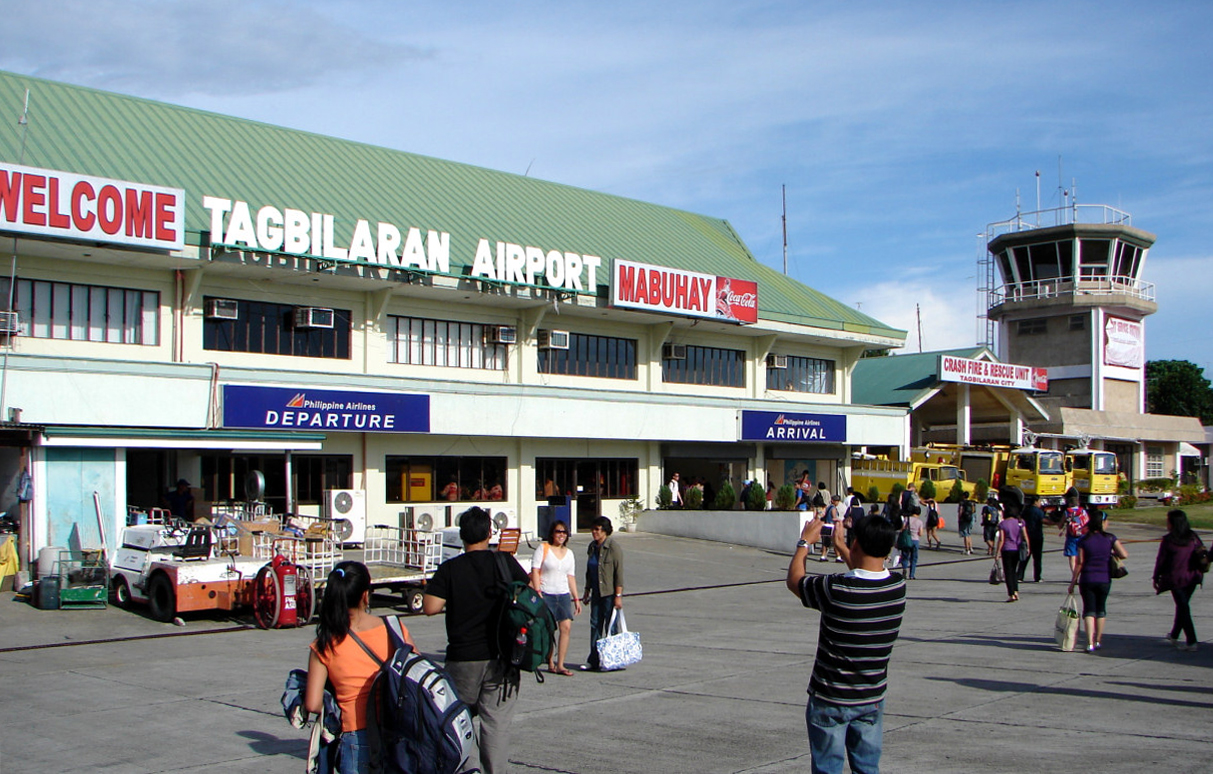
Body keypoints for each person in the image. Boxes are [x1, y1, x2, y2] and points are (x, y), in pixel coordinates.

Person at [787, 514, 906, 774]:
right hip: (871, 697)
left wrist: (804, 543)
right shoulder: (898, 586)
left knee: (827, 767)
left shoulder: (836, 588)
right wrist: (843, 547)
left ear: (856, 545)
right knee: (867, 767)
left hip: (831, 697)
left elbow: (795, 581)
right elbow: (867, 572)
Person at [423, 507, 529, 774]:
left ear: (461, 536)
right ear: (489, 533)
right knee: (496, 725)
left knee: (458, 720)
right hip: (502, 658)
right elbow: (528, 596)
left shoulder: (451, 568)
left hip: (463, 658)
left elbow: (430, 606)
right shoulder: (505, 562)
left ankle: (464, 770)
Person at [306, 561, 416, 773]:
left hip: (357, 735)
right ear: (366, 595)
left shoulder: (325, 643)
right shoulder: (393, 628)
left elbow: (312, 704)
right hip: (396, 731)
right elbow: (416, 673)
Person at [1067, 510, 1128, 653]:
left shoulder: (1084, 540)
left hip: (1087, 578)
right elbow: (1124, 554)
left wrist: (1073, 582)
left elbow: (1080, 562)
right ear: (1102, 523)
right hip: (1104, 578)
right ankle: (1098, 640)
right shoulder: (1110, 538)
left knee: (1088, 610)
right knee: (1101, 610)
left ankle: (1089, 643)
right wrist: (1111, 554)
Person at [530, 520, 581, 675]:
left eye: (564, 532)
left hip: (563, 594)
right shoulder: (543, 549)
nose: (561, 535)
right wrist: (538, 591)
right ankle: (550, 660)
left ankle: (561, 664)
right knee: (549, 629)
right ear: (552, 533)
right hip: (546, 593)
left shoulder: (569, 553)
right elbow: (535, 570)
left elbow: (570, 577)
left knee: (566, 627)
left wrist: (576, 598)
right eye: (558, 532)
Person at [1153, 508, 1205, 651]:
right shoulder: (1193, 537)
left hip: (1176, 578)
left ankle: (1191, 640)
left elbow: (1161, 560)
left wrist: (1156, 576)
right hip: (1193, 576)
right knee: (1183, 606)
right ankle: (1175, 634)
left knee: (1183, 607)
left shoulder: (1169, 540)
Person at [581, 515, 624, 671]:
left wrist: (618, 596)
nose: (595, 532)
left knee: (611, 627)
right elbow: (589, 571)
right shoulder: (592, 547)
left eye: (598, 530)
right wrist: (587, 590)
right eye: (593, 529)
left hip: (610, 593)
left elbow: (619, 574)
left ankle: (611, 660)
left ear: (605, 531)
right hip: (597, 593)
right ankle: (594, 659)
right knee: (595, 625)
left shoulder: (613, 548)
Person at [995, 508, 1028, 602]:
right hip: (1017, 549)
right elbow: (1025, 535)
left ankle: (1011, 594)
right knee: (1014, 571)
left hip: (1007, 549)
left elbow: (1001, 539)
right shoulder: (1020, 522)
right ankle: (1016, 591)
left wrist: (997, 552)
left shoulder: (1003, 524)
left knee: (1008, 572)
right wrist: (1028, 547)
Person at [1018, 495, 1046, 583]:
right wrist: (1055, 522)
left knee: (1025, 557)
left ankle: (1020, 576)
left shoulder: (1026, 510)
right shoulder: (1039, 512)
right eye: (1040, 501)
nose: (1040, 503)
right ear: (1036, 501)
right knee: (1037, 558)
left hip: (1027, 536)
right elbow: (1043, 520)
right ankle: (1037, 577)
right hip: (1037, 536)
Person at [1060, 492, 1090, 574]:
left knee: (1072, 556)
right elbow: (1087, 522)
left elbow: (1060, 525)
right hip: (1083, 535)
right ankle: (1082, 572)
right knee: (1082, 555)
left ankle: (1074, 574)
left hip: (1071, 536)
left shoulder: (1067, 512)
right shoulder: (1083, 511)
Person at [900, 505, 924, 580]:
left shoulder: (907, 519)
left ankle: (904, 569)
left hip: (907, 540)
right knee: (914, 558)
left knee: (905, 556)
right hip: (915, 540)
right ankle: (912, 575)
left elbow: (902, 529)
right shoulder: (920, 522)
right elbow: (920, 533)